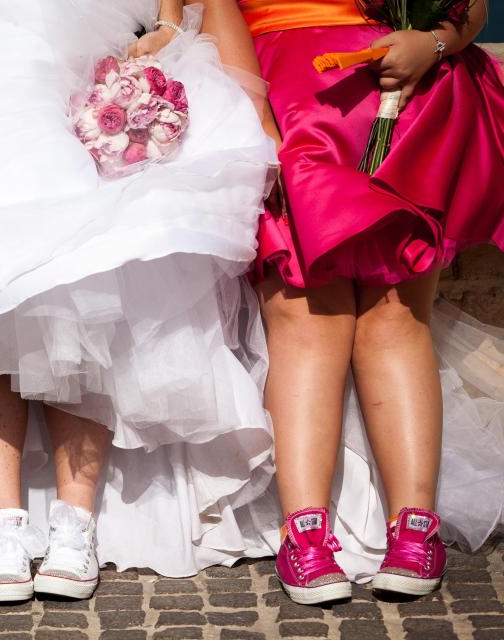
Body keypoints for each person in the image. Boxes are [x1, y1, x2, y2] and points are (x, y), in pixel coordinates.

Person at [0, 0, 281, 601]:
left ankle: (76, 522)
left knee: (82, 273)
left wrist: (171, 23)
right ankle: (4, 524)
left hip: (72, 31)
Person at [240, 0, 504, 605]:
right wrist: (253, 117)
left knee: (396, 316)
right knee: (305, 316)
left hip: (405, 92)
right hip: (288, 99)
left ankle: (416, 525)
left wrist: (436, 42)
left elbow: (474, 3)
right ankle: (303, 530)